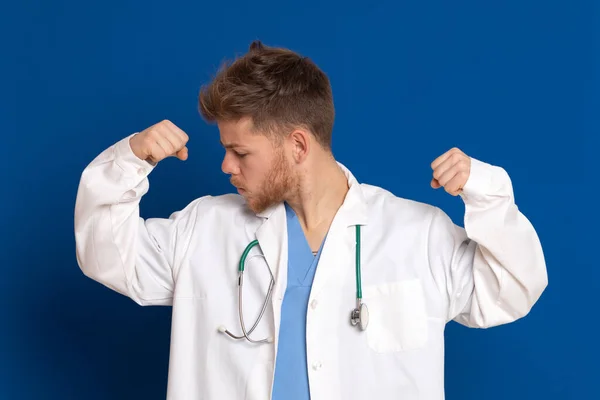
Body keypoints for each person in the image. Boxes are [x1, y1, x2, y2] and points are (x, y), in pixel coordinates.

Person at [74, 40, 548, 400]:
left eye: (239, 152)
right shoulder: (203, 229)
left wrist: (485, 193)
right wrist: (129, 161)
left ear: (298, 146)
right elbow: (107, 256)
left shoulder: (416, 234)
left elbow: (513, 290)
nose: (226, 167)